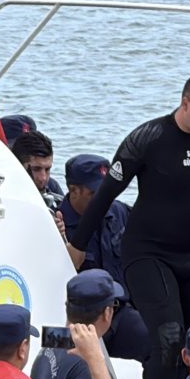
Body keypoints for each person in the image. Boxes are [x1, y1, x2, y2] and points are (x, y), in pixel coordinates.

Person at [66, 69, 190, 379]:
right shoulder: (148, 139)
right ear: (186, 103)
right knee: (169, 339)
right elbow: (105, 196)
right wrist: (78, 245)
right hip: (147, 254)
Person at [61, 154, 149, 362]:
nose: (103, 200)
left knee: (158, 341)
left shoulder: (118, 212)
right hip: (78, 317)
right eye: (94, 193)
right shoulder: (56, 223)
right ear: (74, 190)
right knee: (64, 360)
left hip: (117, 311)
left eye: (107, 192)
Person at [10, 129, 64, 207]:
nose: (43, 178)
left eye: (47, 169)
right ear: (18, 165)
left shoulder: (52, 186)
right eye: (36, 169)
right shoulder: (1, 190)